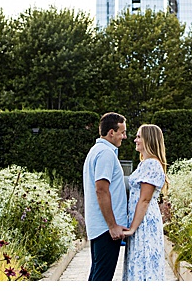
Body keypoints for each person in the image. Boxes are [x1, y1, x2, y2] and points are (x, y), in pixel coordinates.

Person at [82, 111, 129, 281]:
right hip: (106, 229)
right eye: (122, 132)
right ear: (111, 132)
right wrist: (113, 226)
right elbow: (101, 190)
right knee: (102, 278)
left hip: (101, 227)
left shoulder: (97, 151)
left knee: (97, 275)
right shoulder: (106, 154)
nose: (124, 137)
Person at [122, 122, 171, 281]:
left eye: (138, 137)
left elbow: (144, 200)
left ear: (148, 140)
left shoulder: (151, 164)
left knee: (144, 263)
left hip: (144, 223)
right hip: (140, 220)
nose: (135, 140)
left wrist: (132, 229)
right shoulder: (145, 163)